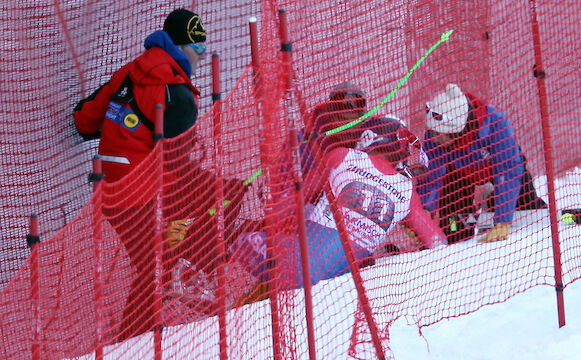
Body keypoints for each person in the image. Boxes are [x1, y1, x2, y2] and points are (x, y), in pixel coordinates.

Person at [73, 9, 245, 340]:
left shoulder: (130, 71)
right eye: (200, 49)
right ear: (183, 48)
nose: (201, 58)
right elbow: (176, 164)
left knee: (158, 258)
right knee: (158, 263)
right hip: (141, 192)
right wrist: (210, 188)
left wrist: (123, 126)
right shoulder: (179, 94)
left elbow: (84, 120)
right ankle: (144, 326)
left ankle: (182, 269)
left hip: (111, 188)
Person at [230, 116, 446, 292]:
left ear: (368, 138)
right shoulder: (408, 193)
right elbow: (437, 241)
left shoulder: (342, 157)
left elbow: (290, 204)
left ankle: (217, 279)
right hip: (334, 292)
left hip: (293, 267)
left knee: (241, 238)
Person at [417, 83, 547, 244]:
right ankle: (460, 229)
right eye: (432, 133)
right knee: (453, 229)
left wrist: (502, 221)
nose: (433, 137)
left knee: (527, 210)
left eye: (438, 134)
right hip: (459, 172)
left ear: (455, 131)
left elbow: (507, 170)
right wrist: (424, 211)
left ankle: (496, 202)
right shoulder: (434, 137)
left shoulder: (495, 122)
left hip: (498, 170)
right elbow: (431, 177)